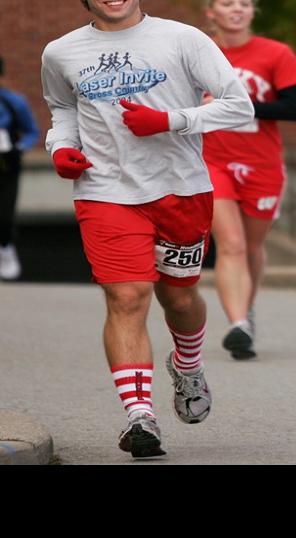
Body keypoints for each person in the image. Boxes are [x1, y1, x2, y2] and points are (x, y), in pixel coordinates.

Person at [41, 0, 254, 458]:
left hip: (181, 190)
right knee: (126, 296)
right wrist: (61, 147)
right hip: (104, 191)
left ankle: (188, 365)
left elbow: (240, 107)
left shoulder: (183, 39)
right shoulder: (61, 51)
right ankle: (140, 415)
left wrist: (170, 121)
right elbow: (63, 110)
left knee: (178, 297)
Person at [202, 0, 296, 360]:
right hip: (211, 161)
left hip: (261, 163)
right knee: (229, 244)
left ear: (253, 12)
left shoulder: (275, 53)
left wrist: (235, 104)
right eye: (227, 3)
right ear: (210, 12)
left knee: (250, 247)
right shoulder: (198, 52)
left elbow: (294, 108)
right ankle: (237, 324)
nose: (237, 9)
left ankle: (246, 309)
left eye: (244, 3)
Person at [0, 55, 40, 281]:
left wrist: (18, 147)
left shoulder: (14, 102)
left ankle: (5, 247)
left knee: (4, 215)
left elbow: (32, 132)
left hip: (7, 166)